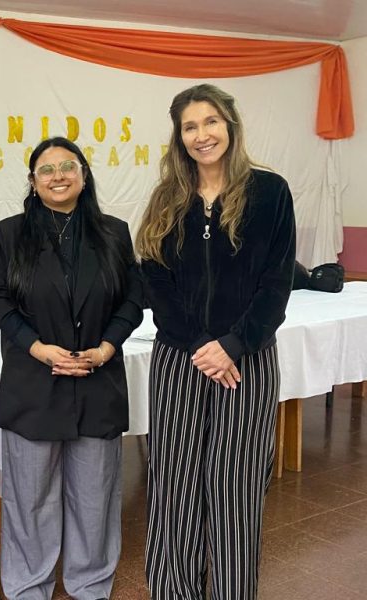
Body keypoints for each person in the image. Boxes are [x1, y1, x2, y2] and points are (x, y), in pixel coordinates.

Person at [136, 83, 296, 599]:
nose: (201, 134)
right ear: (179, 136)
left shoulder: (270, 193)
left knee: (235, 487)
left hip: (245, 361)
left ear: (230, 124)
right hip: (179, 357)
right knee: (174, 483)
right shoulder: (167, 197)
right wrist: (202, 344)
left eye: (210, 122)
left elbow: (276, 284)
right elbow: (154, 280)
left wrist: (233, 344)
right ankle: (174, 591)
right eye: (190, 126)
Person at [0, 137, 143, 600]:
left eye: (67, 166)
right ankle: (28, 585)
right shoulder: (9, 234)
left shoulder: (114, 232)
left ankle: (89, 584)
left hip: (98, 380)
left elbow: (134, 299)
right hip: (33, 383)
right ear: (33, 181)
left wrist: (106, 348)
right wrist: (38, 349)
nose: (58, 176)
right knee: (30, 499)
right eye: (46, 170)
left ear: (84, 175)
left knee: (95, 497)